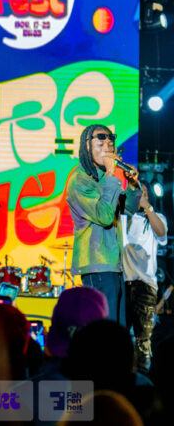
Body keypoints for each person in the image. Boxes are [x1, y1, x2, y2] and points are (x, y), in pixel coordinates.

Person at [66, 124, 141, 324]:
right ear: (87, 147)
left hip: (114, 265)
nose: (107, 150)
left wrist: (133, 187)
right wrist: (110, 175)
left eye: (110, 145)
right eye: (101, 145)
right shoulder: (80, 181)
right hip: (97, 265)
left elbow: (128, 210)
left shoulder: (102, 180)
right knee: (103, 330)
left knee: (117, 328)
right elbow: (105, 216)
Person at [123, 180, 168, 373]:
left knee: (143, 339)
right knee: (122, 337)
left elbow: (162, 233)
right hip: (123, 284)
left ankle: (143, 379)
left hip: (146, 286)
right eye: (137, 193)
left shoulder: (157, 217)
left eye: (144, 193)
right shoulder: (124, 217)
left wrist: (147, 207)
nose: (141, 196)